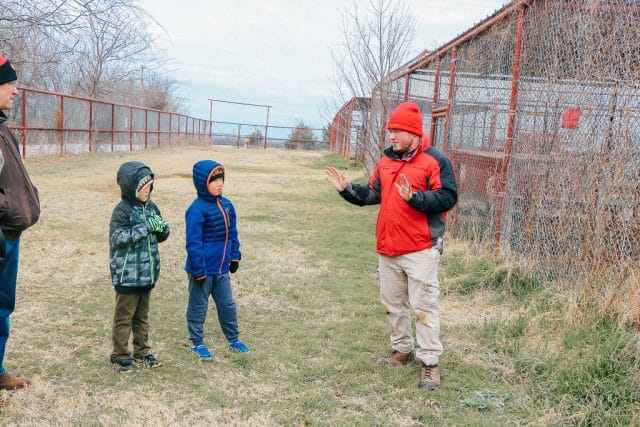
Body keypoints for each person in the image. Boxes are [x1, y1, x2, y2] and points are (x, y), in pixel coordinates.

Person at [325, 102, 458, 390]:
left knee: (424, 307)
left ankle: (430, 364)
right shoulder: (386, 162)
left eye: (397, 131)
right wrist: (347, 189)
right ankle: (403, 349)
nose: (392, 136)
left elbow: (448, 198)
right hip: (388, 248)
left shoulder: (435, 161)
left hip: (421, 248)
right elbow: (372, 194)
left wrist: (415, 199)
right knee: (393, 305)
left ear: (413, 132)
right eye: (390, 131)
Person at [0, 55, 40, 390]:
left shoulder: (2, 128)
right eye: (10, 84)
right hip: (1, 232)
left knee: (2, 307)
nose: (15, 92)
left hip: (10, 234)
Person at [109, 161, 170, 373]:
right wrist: (145, 227)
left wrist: (162, 229)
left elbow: (160, 236)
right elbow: (118, 238)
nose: (147, 191)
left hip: (147, 274)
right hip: (127, 276)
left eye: (149, 186)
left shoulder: (152, 207)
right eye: (142, 187)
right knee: (124, 317)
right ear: (130, 188)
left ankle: (142, 351)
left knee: (142, 317)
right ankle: (120, 355)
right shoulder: (122, 211)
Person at [185, 160, 249, 361]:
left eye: (221, 178)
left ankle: (233, 340)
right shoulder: (196, 210)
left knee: (227, 305)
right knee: (198, 307)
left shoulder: (228, 206)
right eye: (214, 180)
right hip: (203, 271)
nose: (220, 183)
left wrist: (235, 255)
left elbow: (233, 234)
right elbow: (193, 243)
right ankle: (197, 343)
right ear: (203, 183)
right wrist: (199, 269)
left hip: (222, 270)